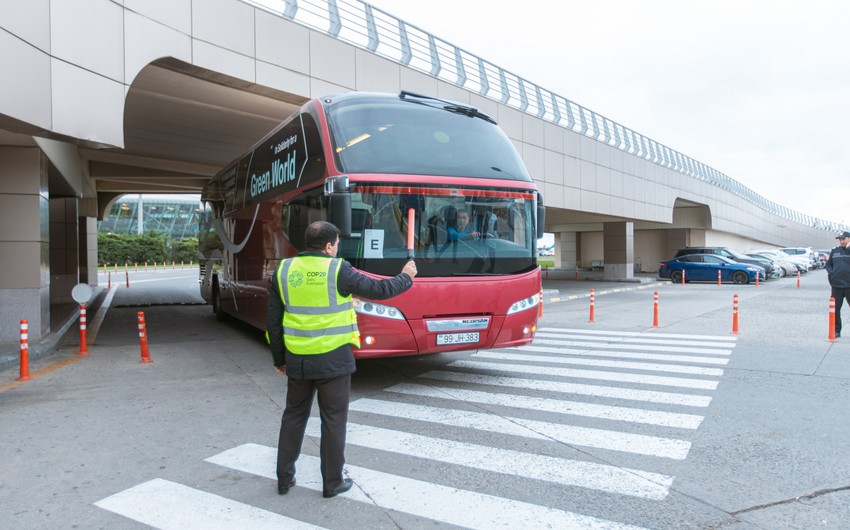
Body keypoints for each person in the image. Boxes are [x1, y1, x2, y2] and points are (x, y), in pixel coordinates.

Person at [267, 221, 417, 498]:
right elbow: (379, 291)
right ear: (328, 246)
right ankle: (332, 482)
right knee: (333, 420)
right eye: (336, 243)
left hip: (298, 360)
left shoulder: (284, 270)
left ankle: (284, 478)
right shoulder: (338, 270)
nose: (337, 248)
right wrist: (406, 276)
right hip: (334, 361)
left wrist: (280, 359)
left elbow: (273, 321)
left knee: (293, 417)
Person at [826, 230, 850, 338]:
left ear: (849, 239)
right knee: (835, 310)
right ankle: (836, 331)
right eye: (840, 239)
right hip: (837, 286)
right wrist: (832, 273)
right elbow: (828, 265)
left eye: (843, 239)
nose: (841, 241)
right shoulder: (835, 251)